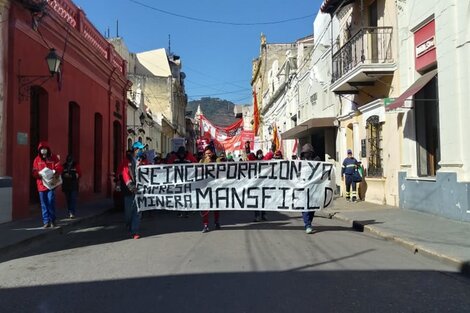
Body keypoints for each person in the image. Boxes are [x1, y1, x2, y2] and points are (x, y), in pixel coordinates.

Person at [120, 141, 148, 239]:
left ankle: (135, 230)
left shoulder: (143, 160)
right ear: (135, 149)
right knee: (128, 211)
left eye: (142, 149)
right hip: (129, 189)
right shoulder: (126, 160)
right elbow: (124, 173)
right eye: (139, 148)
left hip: (140, 189)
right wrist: (130, 185)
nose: (141, 150)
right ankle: (128, 224)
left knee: (138, 211)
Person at [32, 141, 63, 228]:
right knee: (44, 204)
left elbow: (59, 167)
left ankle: (53, 220)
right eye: (42, 149)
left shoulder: (54, 158)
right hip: (41, 184)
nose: (43, 151)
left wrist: (56, 171)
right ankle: (46, 221)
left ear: (48, 149)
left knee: (51, 201)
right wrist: (38, 175)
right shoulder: (36, 160)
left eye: (45, 149)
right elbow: (34, 171)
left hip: (51, 185)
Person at [300, 143, 320, 234]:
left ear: (311, 153)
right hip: (304, 188)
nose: (306, 155)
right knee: (305, 207)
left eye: (307, 153)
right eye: (304, 153)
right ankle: (307, 224)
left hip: (314, 188)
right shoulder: (300, 162)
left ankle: (309, 222)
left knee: (312, 207)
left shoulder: (317, 160)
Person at [200, 146, 220, 233]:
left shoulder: (217, 160)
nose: (208, 155)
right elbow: (199, 171)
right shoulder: (201, 161)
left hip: (215, 186)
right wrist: (206, 163)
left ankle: (216, 221)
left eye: (209, 153)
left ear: (213, 153)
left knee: (216, 206)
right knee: (205, 206)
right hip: (205, 186)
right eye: (206, 153)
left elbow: (221, 169)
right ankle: (205, 224)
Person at [61, 155, 81, 219]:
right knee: (68, 199)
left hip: (73, 185)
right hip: (66, 185)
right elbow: (61, 174)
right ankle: (70, 211)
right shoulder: (64, 166)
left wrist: (71, 175)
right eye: (68, 161)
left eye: (70, 161)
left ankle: (72, 212)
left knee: (73, 199)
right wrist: (64, 175)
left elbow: (79, 174)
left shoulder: (76, 166)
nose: (69, 162)